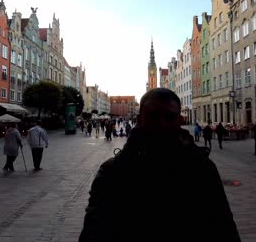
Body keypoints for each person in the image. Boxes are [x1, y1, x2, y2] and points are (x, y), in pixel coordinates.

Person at [79, 88, 241, 242]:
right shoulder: (114, 172)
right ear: (139, 120)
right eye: (153, 116)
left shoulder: (201, 168)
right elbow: (94, 233)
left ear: (179, 121)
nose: (161, 124)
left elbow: (224, 227)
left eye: (169, 117)